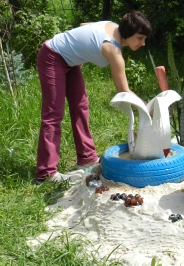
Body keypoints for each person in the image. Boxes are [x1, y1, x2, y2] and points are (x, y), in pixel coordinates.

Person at [35, 10, 152, 184]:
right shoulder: (113, 50)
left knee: (81, 106)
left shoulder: (114, 26)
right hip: (52, 56)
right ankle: (46, 174)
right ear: (127, 33)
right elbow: (124, 91)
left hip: (70, 62)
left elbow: (85, 26)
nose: (143, 43)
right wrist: (148, 107)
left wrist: (78, 51)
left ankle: (86, 158)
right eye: (140, 38)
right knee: (53, 115)